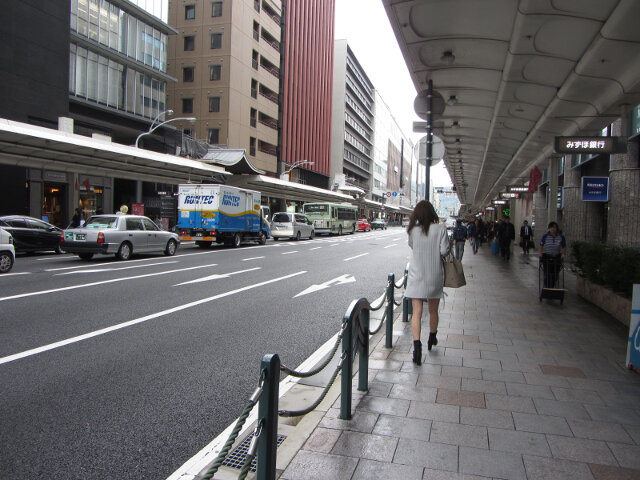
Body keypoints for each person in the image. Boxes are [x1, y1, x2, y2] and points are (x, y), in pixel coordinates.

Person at [404, 200, 450, 363]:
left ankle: (417, 348)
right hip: (434, 275)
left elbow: (412, 246)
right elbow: (444, 251)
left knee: (416, 313)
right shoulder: (441, 229)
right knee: (433, 311)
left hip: (416, 276)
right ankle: (432, 337)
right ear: (432, 213)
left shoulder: (412, 231)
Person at [539, 221, 566, 288]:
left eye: (554, 227)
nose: (553, 229)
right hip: (547, 256)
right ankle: (547, 285)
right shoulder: (545, 236)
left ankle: (552, 284)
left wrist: (563, 254)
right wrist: (540, 253)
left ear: (557, 228)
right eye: (551, 227)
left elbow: (563, 246)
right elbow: (541, 245)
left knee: (555, 274)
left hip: (556, 256)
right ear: (549, 228)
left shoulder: (561, 237)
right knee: (547, 273)